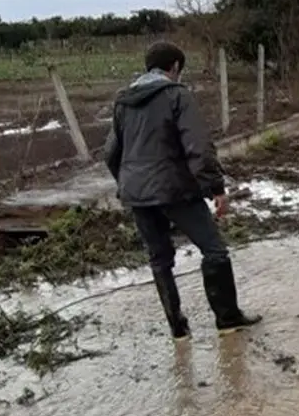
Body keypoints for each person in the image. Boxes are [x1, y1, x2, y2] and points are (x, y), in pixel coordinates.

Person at [103, 41, 261, 340]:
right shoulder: (177, 95)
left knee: (159, 259)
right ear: (174, 67)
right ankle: (227, 320)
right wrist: (215, 187)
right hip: (175, 189)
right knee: (214, 250)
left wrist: (128, 184)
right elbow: (198, 146)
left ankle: (178, 328)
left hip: (136, 193)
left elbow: (110, 153)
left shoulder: (123, 101)